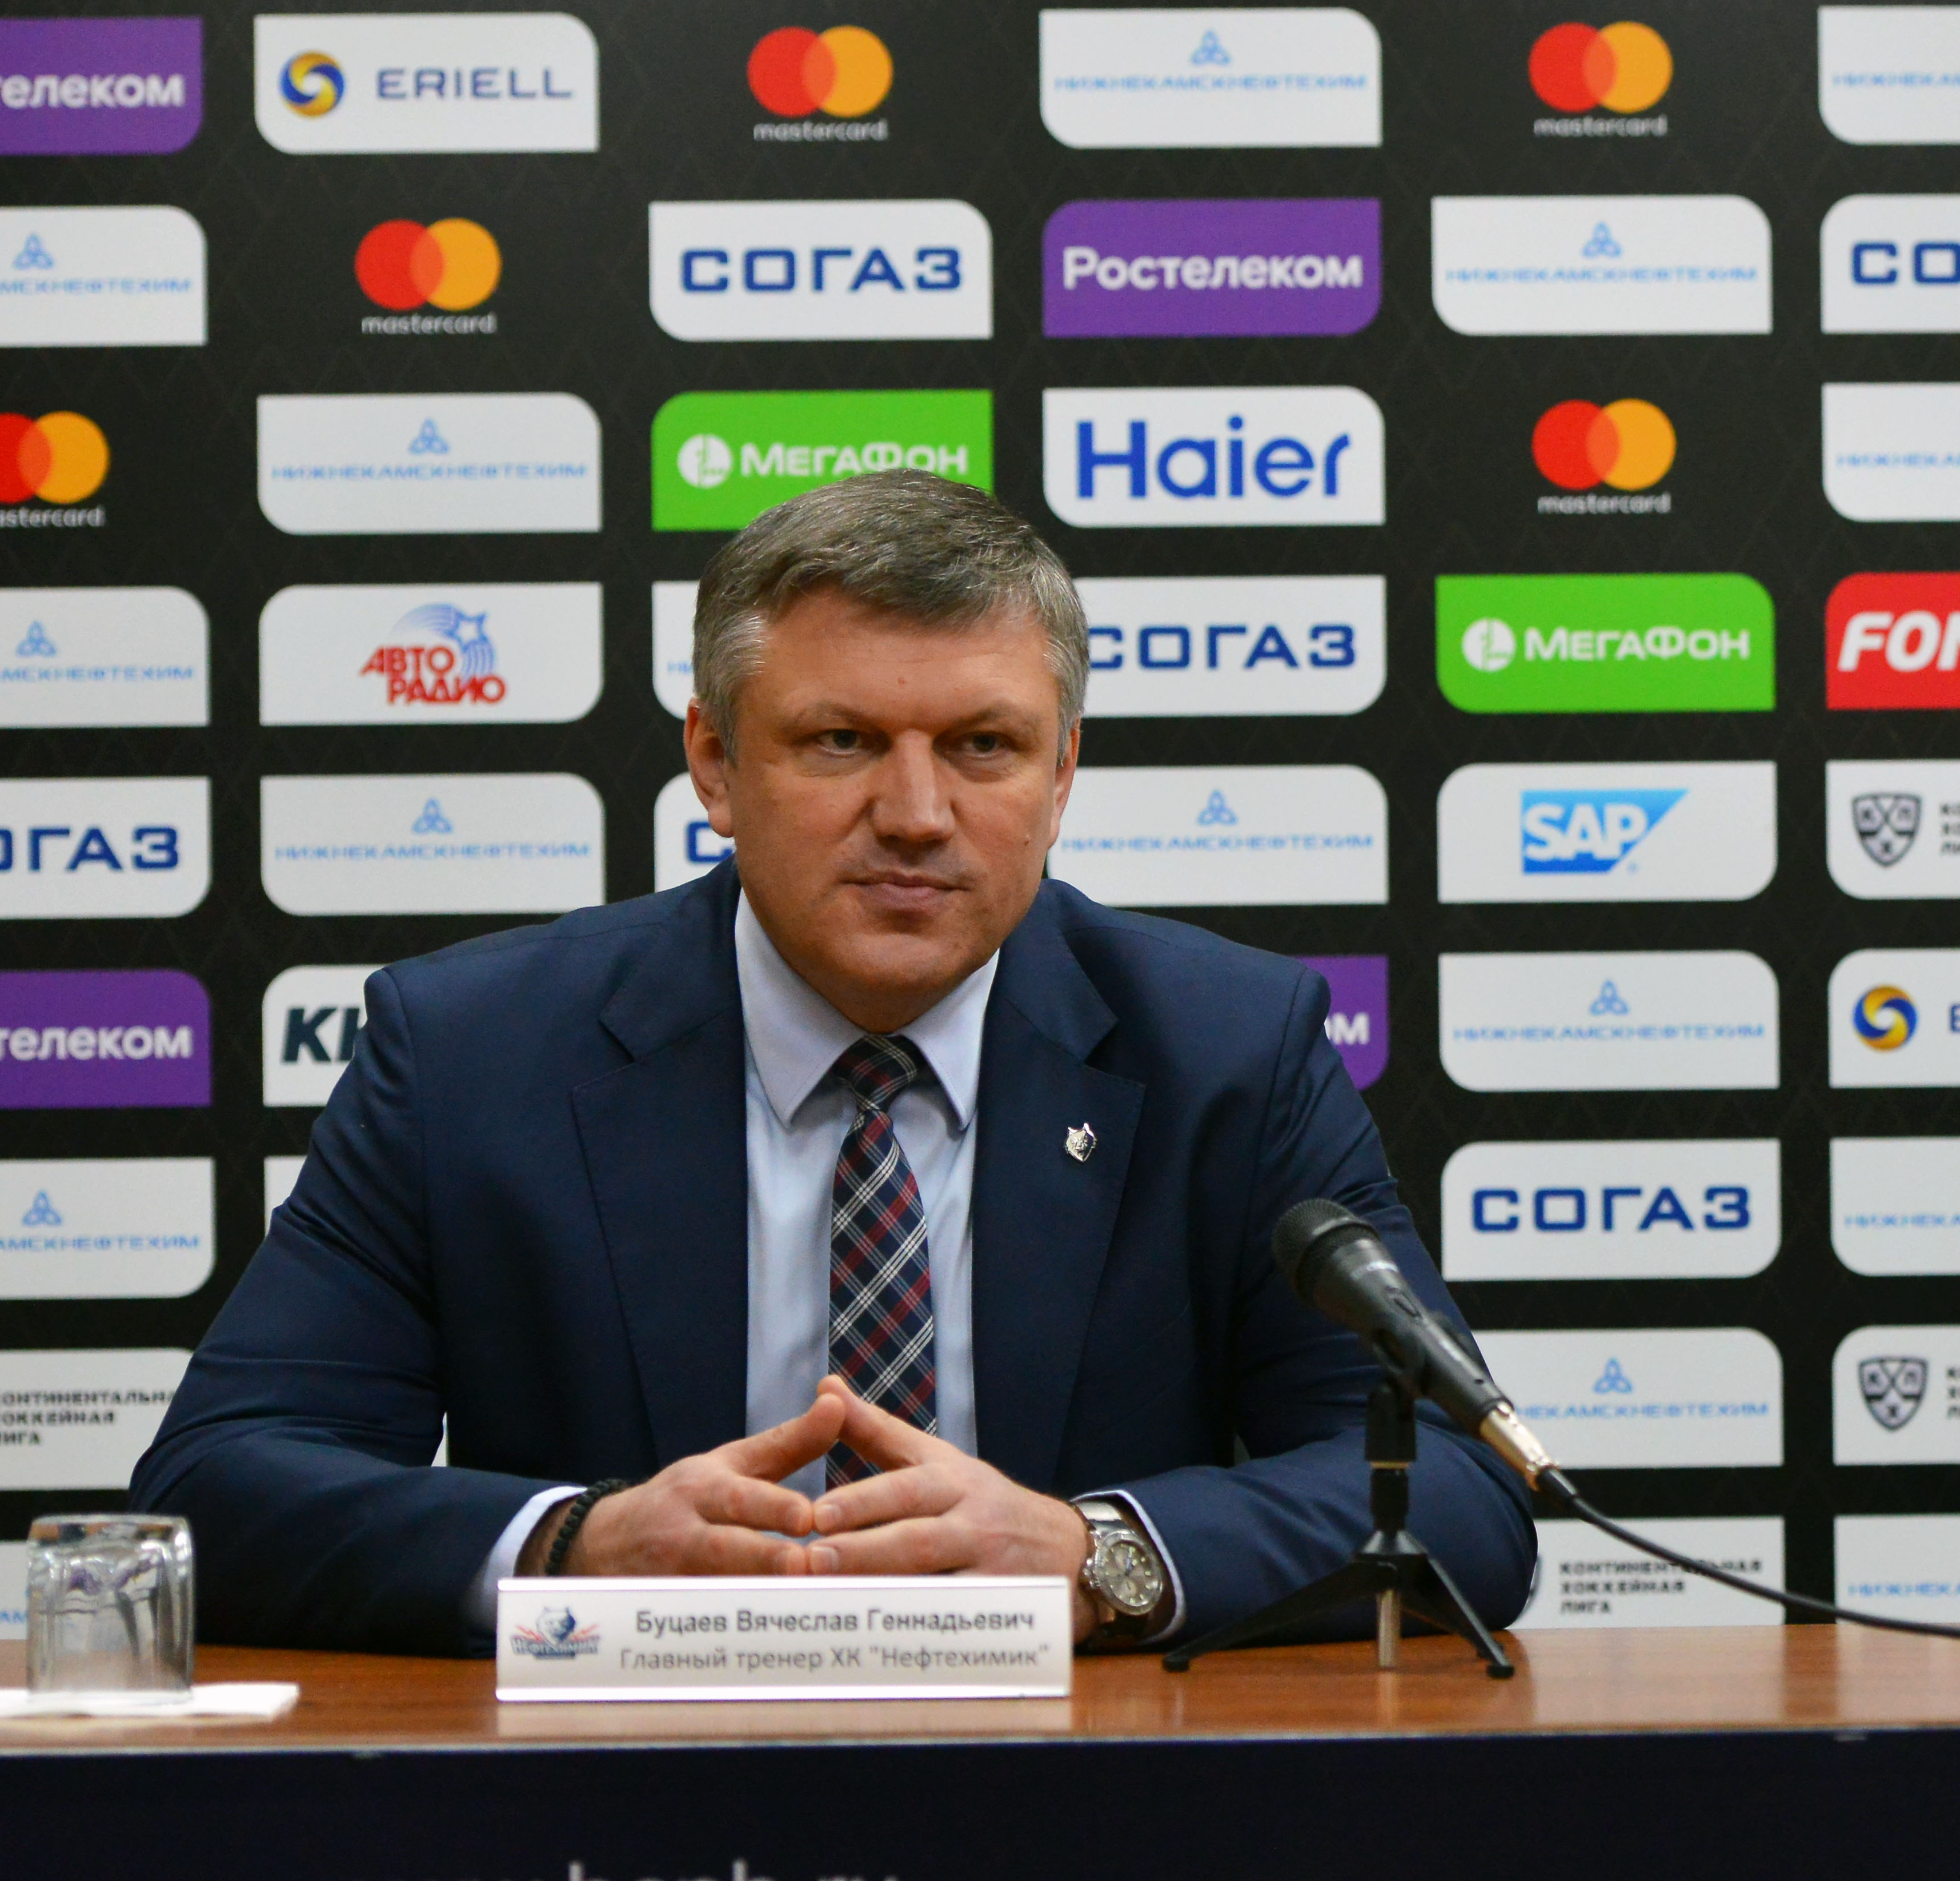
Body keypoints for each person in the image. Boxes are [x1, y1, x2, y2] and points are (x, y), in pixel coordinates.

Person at [134, 471, 1530, 1657]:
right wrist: (576, 1549)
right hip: (614, 1808)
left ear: (1060, 775)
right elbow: (215, 1484)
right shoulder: (471, 1052)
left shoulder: (1229, 1047)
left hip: (1084, 1799)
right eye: (840, 740)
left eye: (982, 746)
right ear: (714, 761)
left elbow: (1464, 1490)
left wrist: (1096, 1552)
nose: (915, 812)